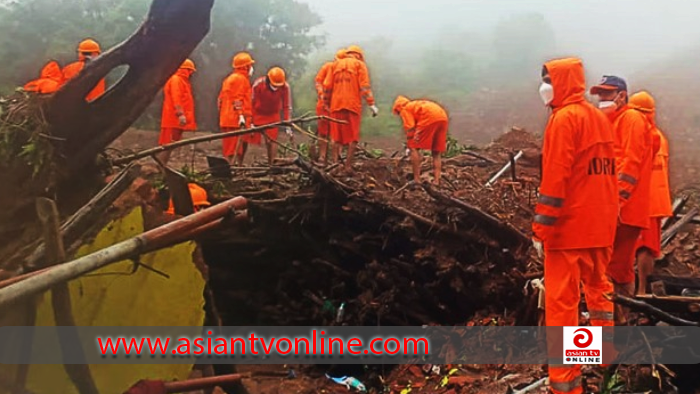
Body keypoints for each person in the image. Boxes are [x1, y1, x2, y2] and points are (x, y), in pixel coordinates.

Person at [533, 58, 618, 394]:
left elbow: (555, 180)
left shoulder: (564, 119)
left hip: (569, 230)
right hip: (600, 225)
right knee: (599, 293)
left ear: (563, 82)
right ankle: (605, 358)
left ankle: (566, 384)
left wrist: (541, 229)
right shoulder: (598, 118)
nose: (544, 86)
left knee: (562, 306)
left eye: (548, 79)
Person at [590, 76, 657, 318]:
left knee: (607, 270)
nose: (602, 99)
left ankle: (615, 329)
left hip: (623, 210)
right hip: (624, 210)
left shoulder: (631, 119)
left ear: (622, 95)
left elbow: (630, 164)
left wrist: (616, 202)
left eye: (607, 94)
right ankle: (623, 322)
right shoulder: (617, 121)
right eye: (599, 94)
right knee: (619, 269)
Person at [629, 91, 672, 295]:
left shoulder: (641, 134)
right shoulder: (659, 136)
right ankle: (641, 290)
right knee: (645, 247)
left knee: (638, 247)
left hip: (640, 199)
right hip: (655, 201)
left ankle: (640, 292)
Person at [323, 44, 378, 174]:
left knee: (335, 137)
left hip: (336, 105)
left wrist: (326, 102)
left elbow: (327, 86)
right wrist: (371, 104)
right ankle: (347, 167)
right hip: (352, 106)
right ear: (359, 56)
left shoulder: (335, 65)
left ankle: (335, 165)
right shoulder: (360, 65)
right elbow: (364, 87)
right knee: (353, 137)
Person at [391, 95, 449, 184]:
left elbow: (410, 127)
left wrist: (409, 144)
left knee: (414, 148)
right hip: (443, 117)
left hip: (428, 118)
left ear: (398, 108)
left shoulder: (405, 109)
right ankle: (437, 180)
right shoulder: (415, 104)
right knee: (436, 152)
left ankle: (417, 179)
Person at [156, 59, 197, 165]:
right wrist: (180, 114)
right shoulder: (176, 79)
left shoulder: (182, 81)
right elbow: (176, 98)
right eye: (190, 70)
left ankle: (162, 168)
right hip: (172, 119)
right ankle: (159, 168)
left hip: (175, 120)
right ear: (186, 70)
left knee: (170, 145)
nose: (191, 73)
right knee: (167, 145)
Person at [251, 67, 293, 165]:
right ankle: (239, 164)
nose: (276, 87)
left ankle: (272, 164)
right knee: (246, 138)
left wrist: (288, 123)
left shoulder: (285, 87)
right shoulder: (258, 84)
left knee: (272, 141)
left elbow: (287, 105)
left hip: (273, 115)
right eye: (274, 85)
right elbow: (251, 102)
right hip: (258, 113)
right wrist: (251, 120)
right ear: (268, 79)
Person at [218, 52, 255, 165]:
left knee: (232, 148)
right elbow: (237, 99)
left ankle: (235, 169)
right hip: (236, 121)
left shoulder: (229, 79)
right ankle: (231, 171)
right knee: (233, 149)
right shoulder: (241, 79)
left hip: (228, 119)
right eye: (250, 65)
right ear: (245, 66)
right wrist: (240, 116)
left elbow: (220, 100)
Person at [314, 49, 347, 164]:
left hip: (338, 106)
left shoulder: (346, 74)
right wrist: (321, 94)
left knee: (338, 133)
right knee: (323, 132)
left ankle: (337, 158)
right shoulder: (327, 67)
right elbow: (318, 81)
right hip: (323, 105)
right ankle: (322, 157)